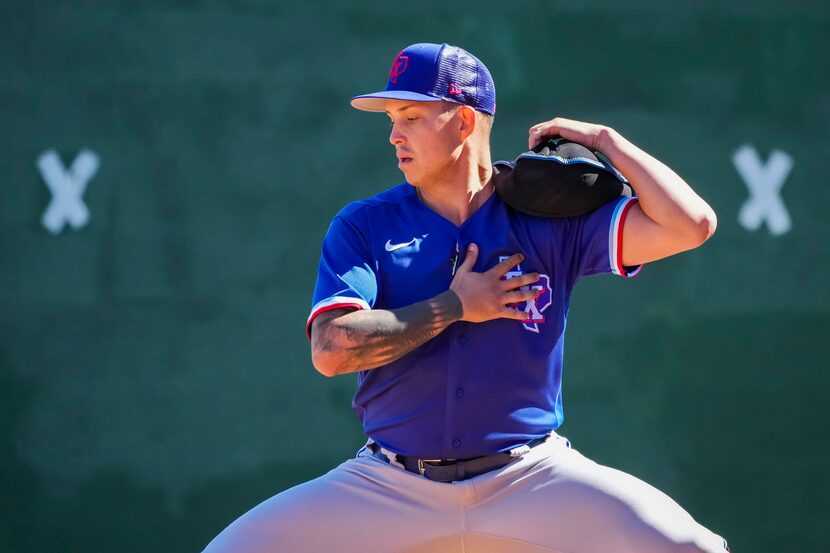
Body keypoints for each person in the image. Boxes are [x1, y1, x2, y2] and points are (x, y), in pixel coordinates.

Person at [203, 42, 729, 553]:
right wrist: (455, 306)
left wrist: (607, 140)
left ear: (464, 121)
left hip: (530, 478)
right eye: (391, 119)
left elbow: (692, 224)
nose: (393, 135)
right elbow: (332, 350)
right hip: (389, 486)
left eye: (410, 116)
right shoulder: (366, 224)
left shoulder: (545, 221)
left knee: (693, 547)